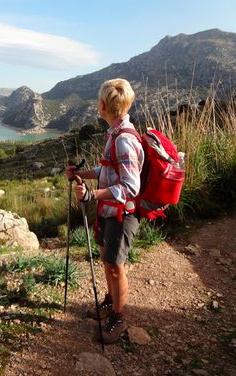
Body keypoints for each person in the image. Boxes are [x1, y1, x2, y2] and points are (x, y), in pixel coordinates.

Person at [66, 78, 144, 344]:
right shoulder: (115, 132)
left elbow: (131, 186)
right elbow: (108, 170)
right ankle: (110, 303)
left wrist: (92, 194)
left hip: (122, 215)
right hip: (109, 212)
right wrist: (82, 174)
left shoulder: (123, 140)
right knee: (107, 260)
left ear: (102, 105)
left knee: (114, 265)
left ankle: (119, 317)